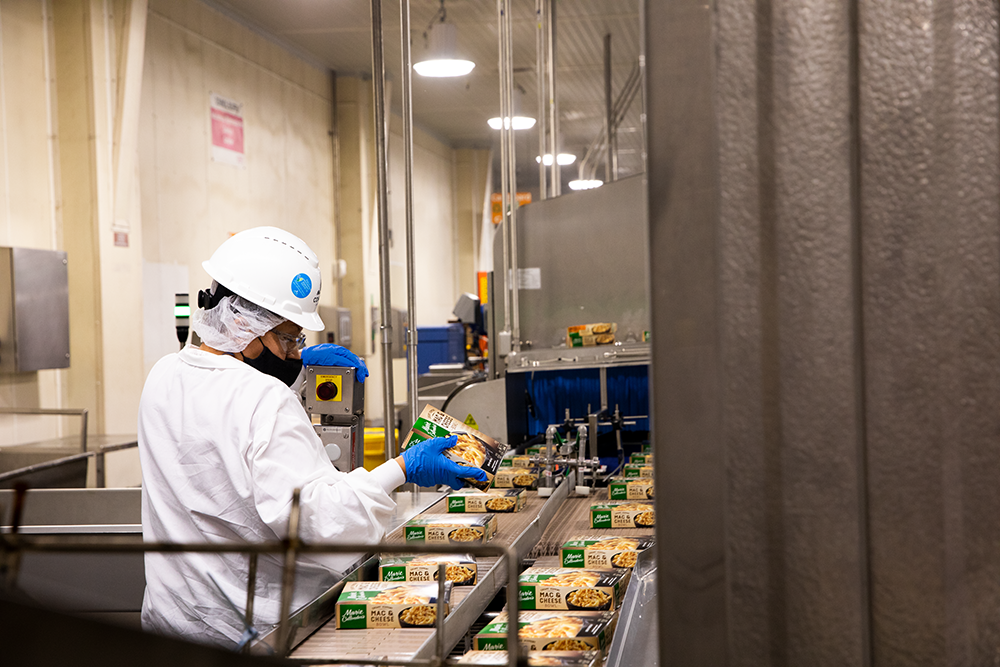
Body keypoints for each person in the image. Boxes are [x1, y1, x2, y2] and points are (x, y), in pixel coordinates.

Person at [137, 226, 486, 647]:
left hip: (174, 624)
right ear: (245, 324)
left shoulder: (163, 376)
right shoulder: (262, 399)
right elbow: (323, 524)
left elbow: (225, 427)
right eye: (288, 337)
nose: (293, 350)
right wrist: (402, 467)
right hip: (255, 633)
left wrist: (299, 366)